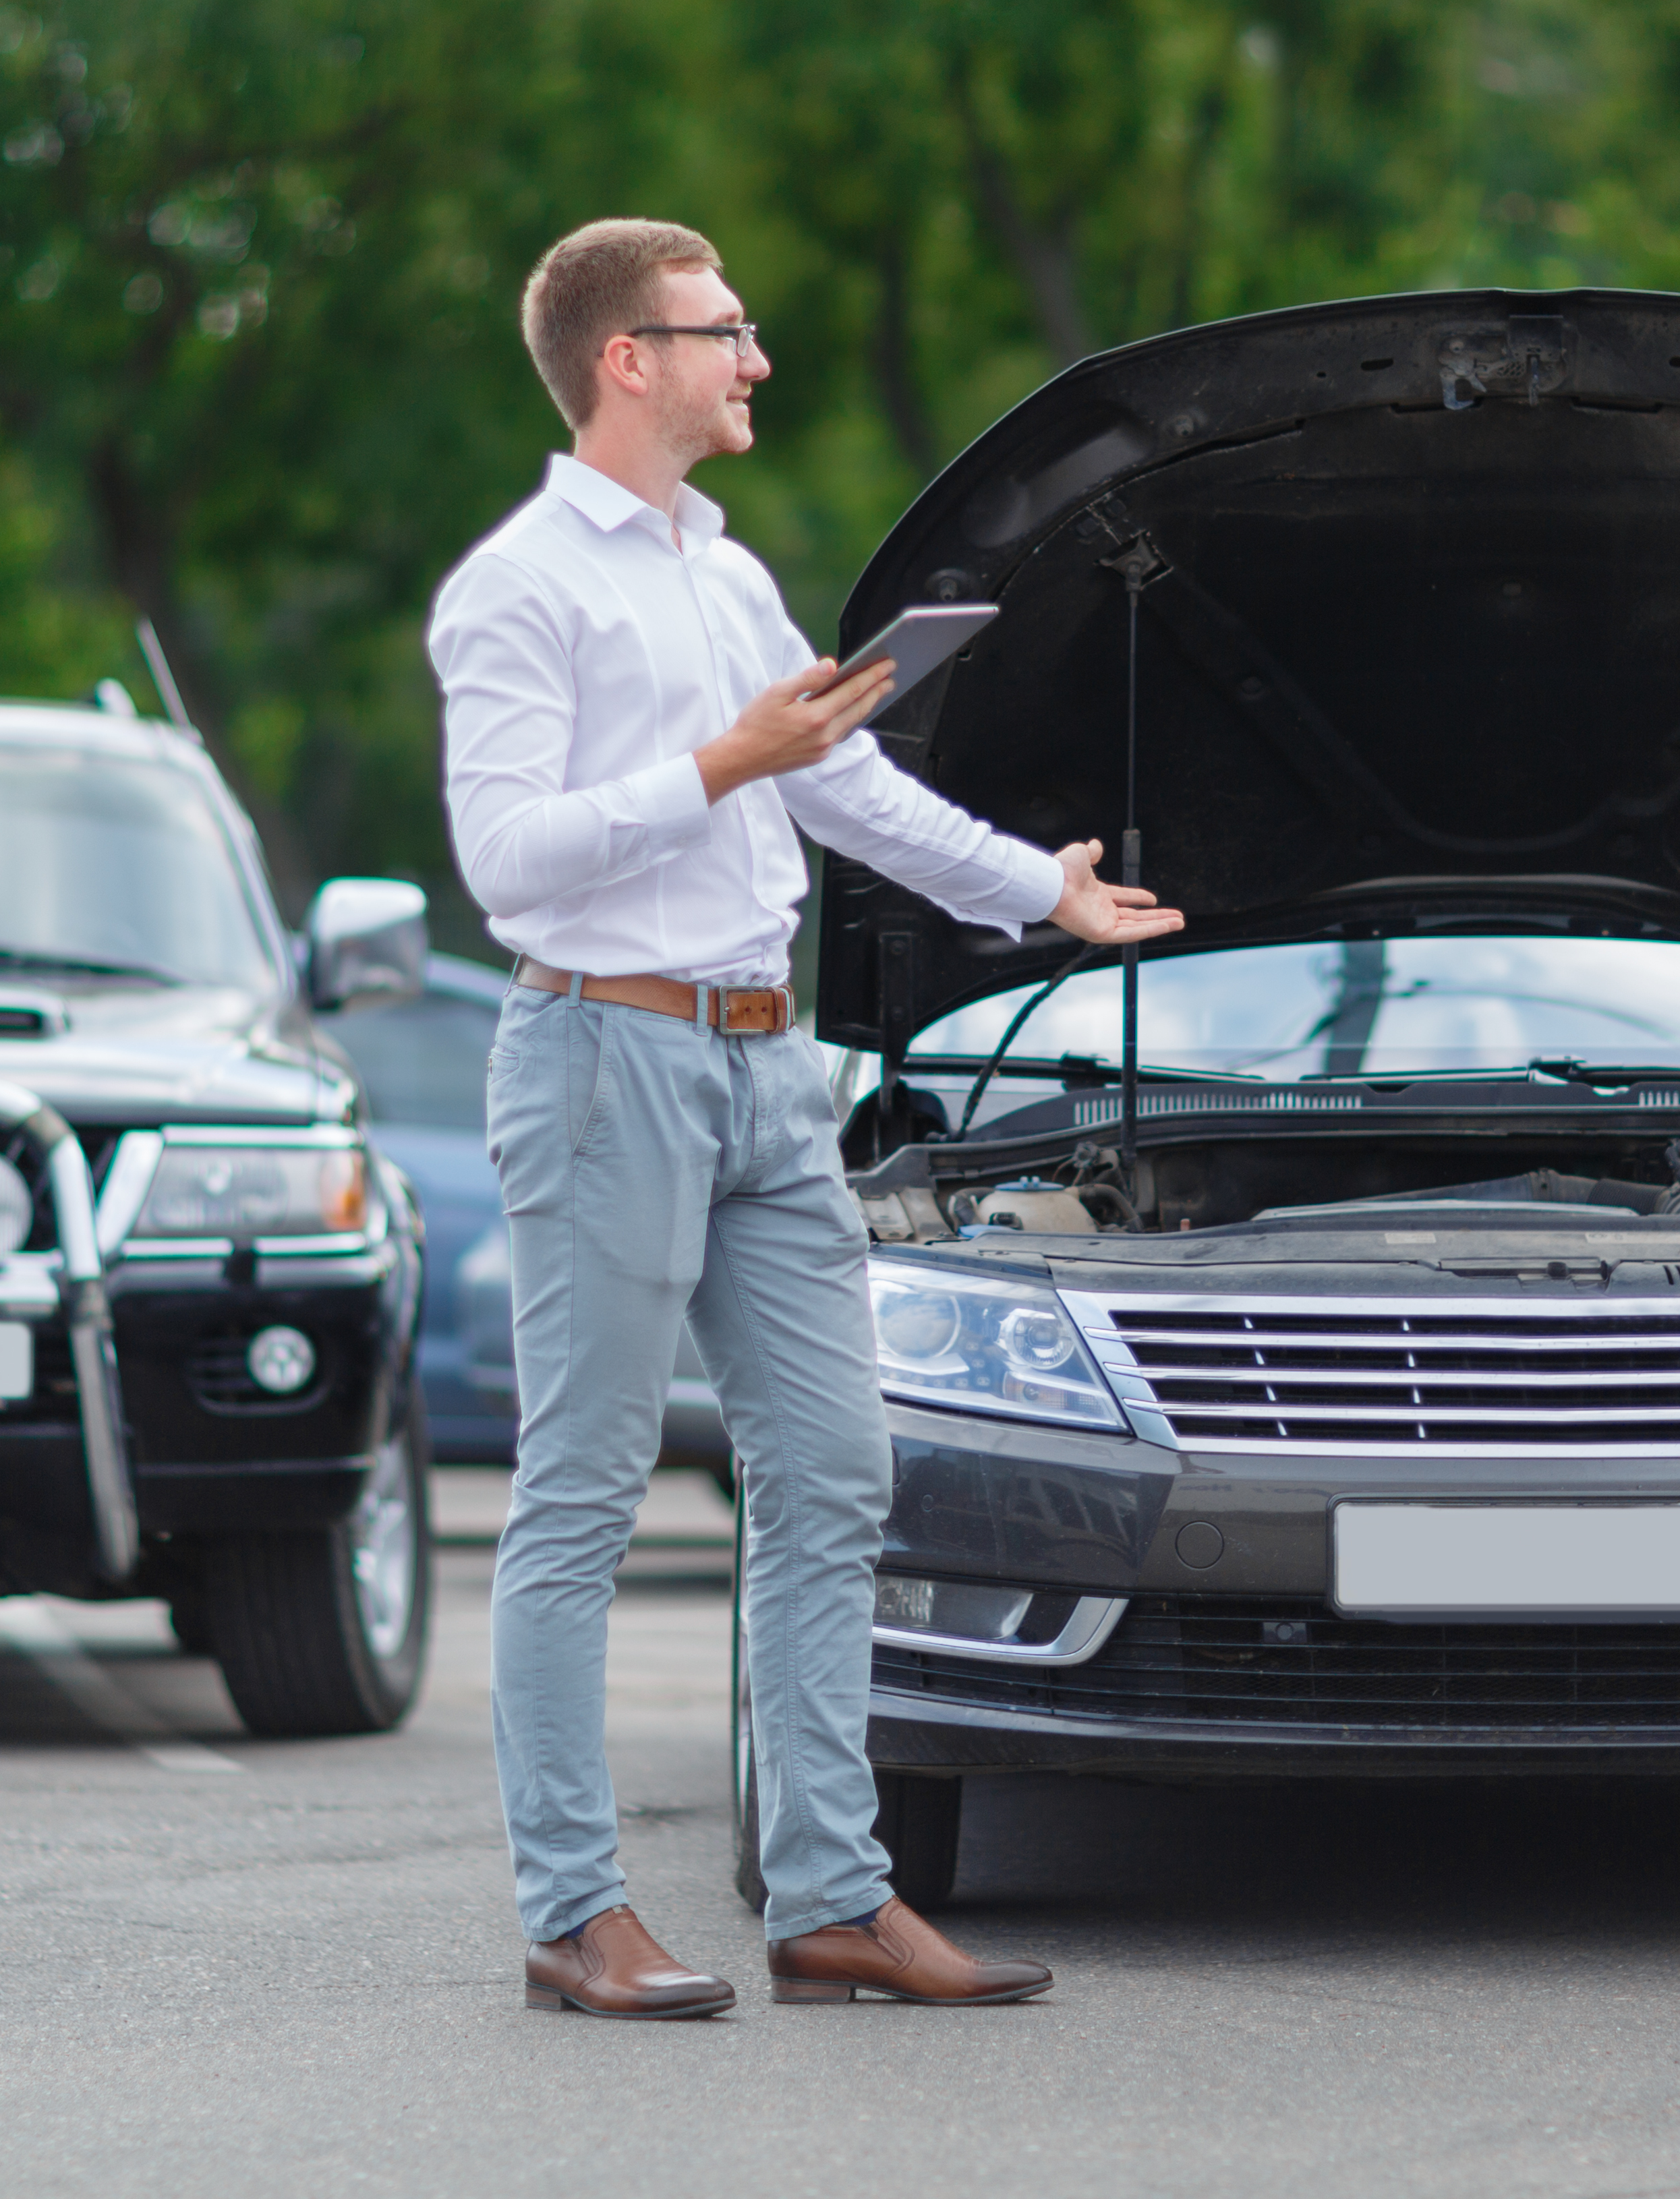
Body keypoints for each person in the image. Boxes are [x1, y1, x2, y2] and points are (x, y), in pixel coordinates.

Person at [429, 218, 1182, 2020]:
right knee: (586, 1496)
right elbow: (508, 866)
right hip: (608, 1056)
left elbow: (842, 786)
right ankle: (572, 1913)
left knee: (840, 1474)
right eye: (725, 332)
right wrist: (722, 765)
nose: (755, 360)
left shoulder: (723, 570)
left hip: (773, 1072)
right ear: (631, 359)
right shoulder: (517, 584)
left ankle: (835, 1899)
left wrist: (1039, 889)